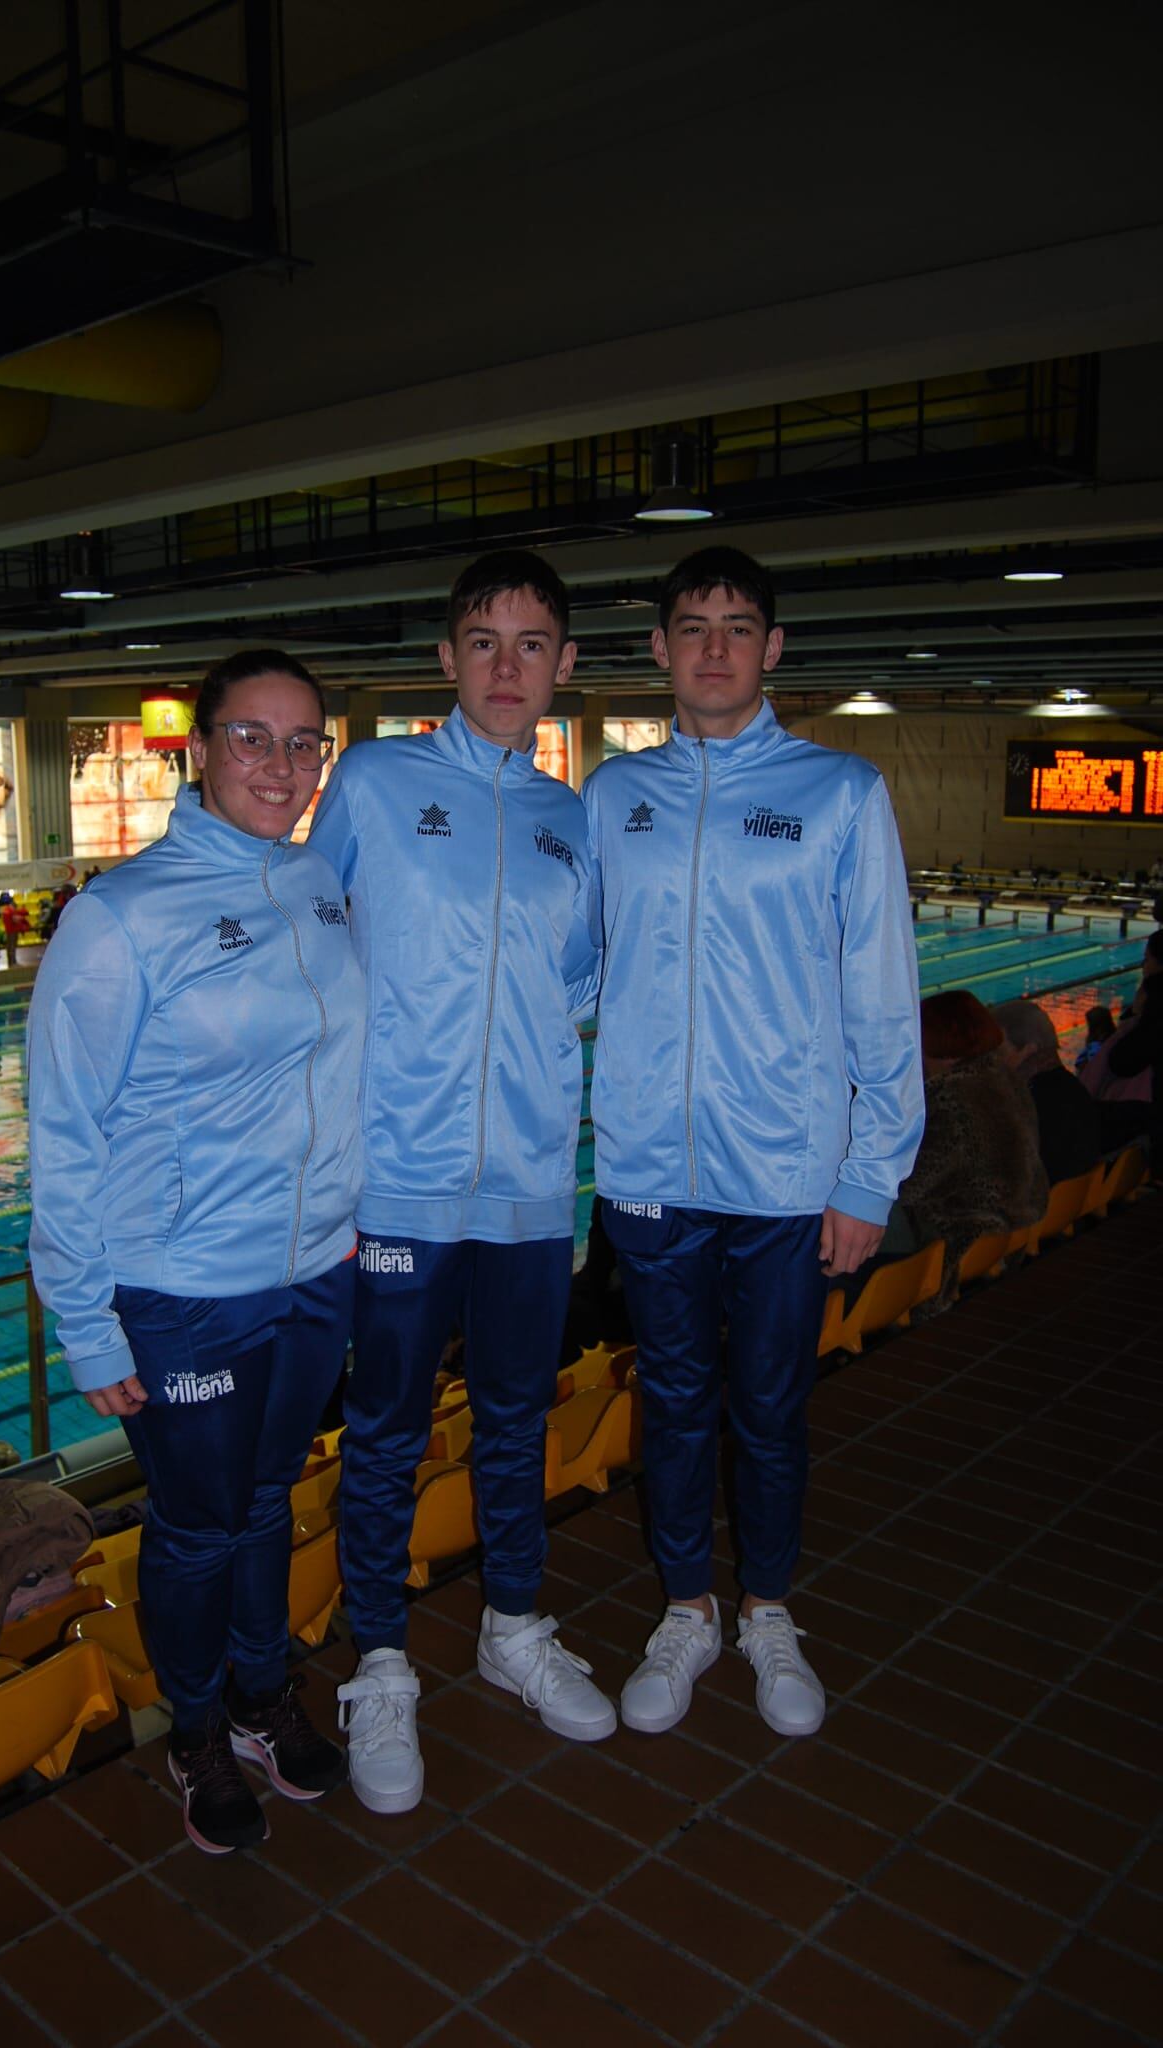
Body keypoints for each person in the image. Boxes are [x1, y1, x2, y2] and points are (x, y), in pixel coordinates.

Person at [582, 544, 922, 1743]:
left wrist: (867, 1171)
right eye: (692, 625)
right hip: (648, 1172)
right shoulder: (613, 796)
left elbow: (881, 994)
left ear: (773, 648)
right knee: (673, 1402)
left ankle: (769, 1606)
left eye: (738, 625)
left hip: (785, 1171)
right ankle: (688, 1608)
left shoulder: (841, 791)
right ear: (661, 649)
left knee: (771, 1405)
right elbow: (575, 963)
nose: (715, 645)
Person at [28, 650, 365, 1856]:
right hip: (183, 1290)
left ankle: (265, 1690)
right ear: (201, 749)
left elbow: (337, 1077)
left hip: (315, 1273)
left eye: (302, 742)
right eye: (252, 738)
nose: (280, 765)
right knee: (194, 1520)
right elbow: (64, 1127)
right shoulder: (121, 917)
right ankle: (197, 1726)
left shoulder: (322, 884)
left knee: (267, 1496)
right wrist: (83, 1314)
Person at [309, 549, 607, 1815]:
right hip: (399, 1186)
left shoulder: (569, 817)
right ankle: (380, 1661)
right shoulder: (374, 781)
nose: (506, 666)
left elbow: (582, 984)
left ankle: (513, 1625)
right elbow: (307, 949)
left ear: (565, 667)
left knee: (516, 1417)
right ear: (445, 657)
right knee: (380, 1432)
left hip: (532, 1188)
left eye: (531, 643)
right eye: (483, 641)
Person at [893, 992, 1047, 1315]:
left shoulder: (950, 1100)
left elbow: (908, 1188)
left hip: (961, 1239)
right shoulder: (1004, 1078)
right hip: (1013, 1225)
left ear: (935, 1043)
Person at [992, 1000, 1101, 1184]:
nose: (994, 1060)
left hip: (1042, 1204)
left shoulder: (1031, 1102)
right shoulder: (1070, 1086)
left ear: (1029, 1050)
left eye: (1000, 1051)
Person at [1102, 928, 1163, 1156]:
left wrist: (1134, 1016)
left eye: (1146, 960)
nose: (1143, 967)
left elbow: (1123, 1062)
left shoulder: (1156, 1001)